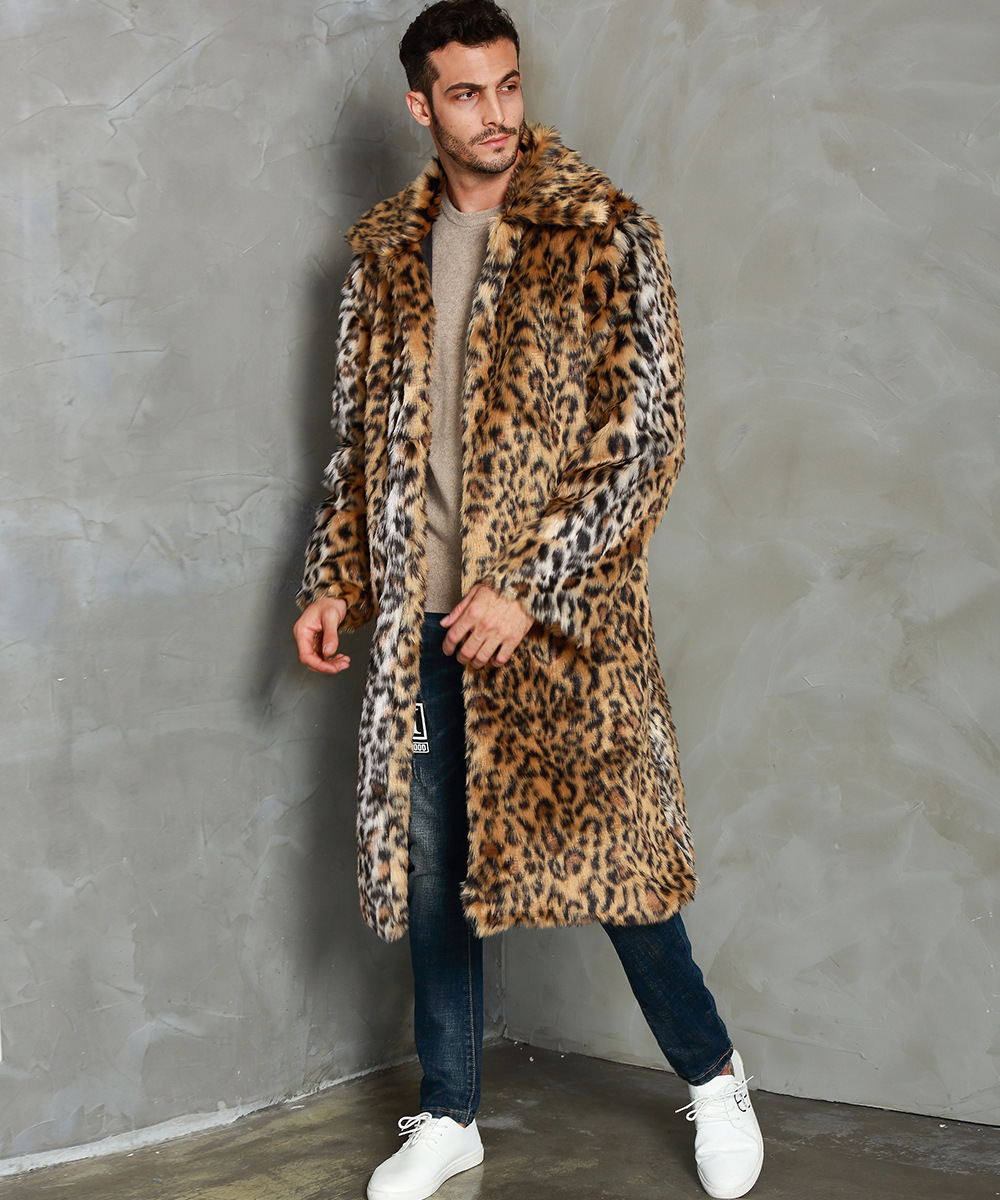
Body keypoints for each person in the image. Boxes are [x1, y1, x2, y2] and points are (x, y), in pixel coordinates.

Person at [293, 3, 764, 1198]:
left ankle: (714, 1076)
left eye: (508, 85)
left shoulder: (603, 230)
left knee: (619, 869)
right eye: (467, 93)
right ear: (421, 105)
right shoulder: (383, 252)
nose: (497, 113)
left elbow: (643, 441)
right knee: (437, 872)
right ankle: (450, 1112)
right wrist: (335, 579)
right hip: (422, 621)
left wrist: (526, 585)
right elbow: (356, 443)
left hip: (560, 626)